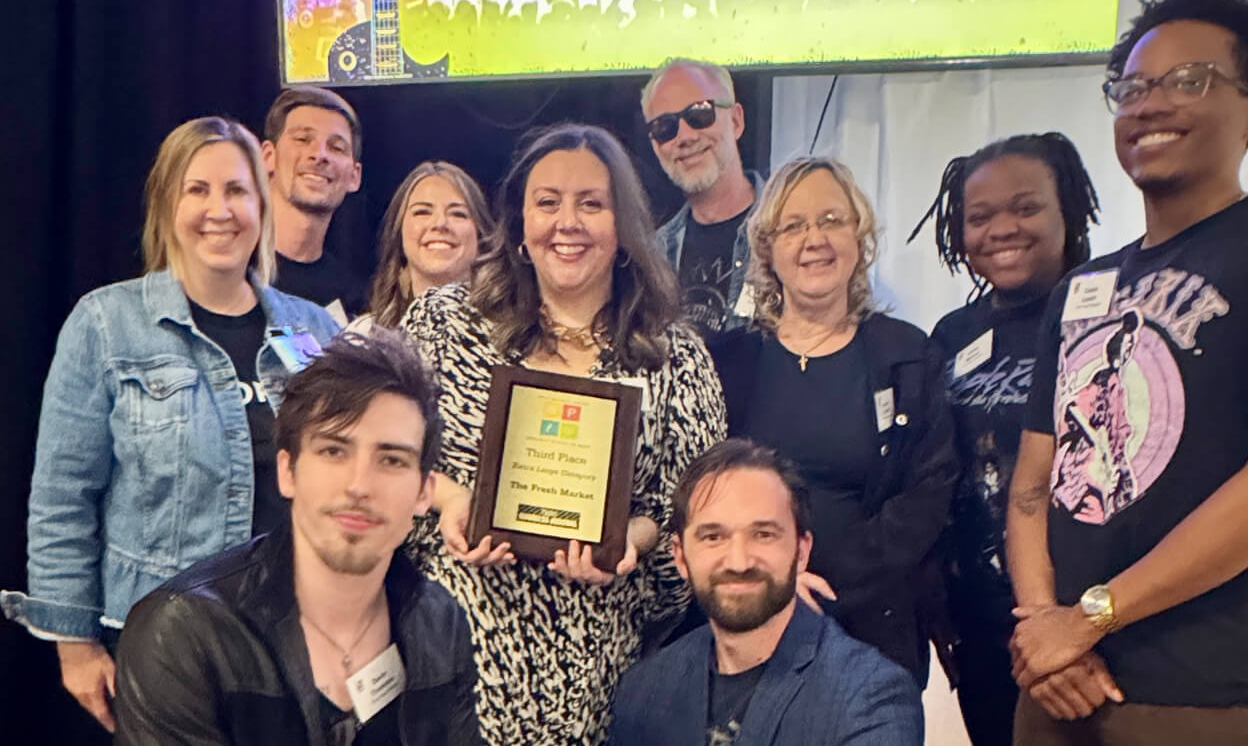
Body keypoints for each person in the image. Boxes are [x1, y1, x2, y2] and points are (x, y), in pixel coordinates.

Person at [1006, 0, 1248, 745]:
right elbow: (1031, 489)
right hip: (1056, 691)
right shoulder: (1082, 287)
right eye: (1133, 86)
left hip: (1202, 699)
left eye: (1189, 81)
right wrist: (1042, 630)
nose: (1150, 104)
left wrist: (1088, 618)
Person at [0, 117, 341, 732]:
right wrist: (74, 646)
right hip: (159, 646)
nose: (220, 210)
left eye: (236, 191)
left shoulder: (316, 330)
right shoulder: (105, 324)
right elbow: (62, 498)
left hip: (299, 643)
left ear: (261, 202)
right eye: (197, 190)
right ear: (166, 204)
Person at [401, 123, 727, 744]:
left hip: (603, 679)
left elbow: (695, 504)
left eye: (591, 204)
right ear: (520, 221)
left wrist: (630, 539)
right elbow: (392, 455)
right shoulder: (444, 325)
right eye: (547, 202)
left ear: (624, 226)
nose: (566, 222)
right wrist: (450, 500)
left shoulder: (675, 356)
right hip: (454, 671)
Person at [114, 328, 481, 745]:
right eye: (333, 451)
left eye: (391, 460)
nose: (359, 485)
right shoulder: (184, 633)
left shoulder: (438, 620)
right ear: (287, 472)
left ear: (423, 493)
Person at [709, 156, 958, 688]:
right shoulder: (726, 362)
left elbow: (928, 496)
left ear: (860, 237)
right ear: (767, 250)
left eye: (831, 220)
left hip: (871, 631)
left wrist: (817, 576)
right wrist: (771, 580)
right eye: (793, 226)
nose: (814, 239)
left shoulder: (909, 354)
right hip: (745, 623)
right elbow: (701, 493)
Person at [916, 132, 1103, 746]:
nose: (1002, 228)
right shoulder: (951, 334)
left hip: (1083, 616)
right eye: (980, 216)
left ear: (1066, 212)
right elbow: (937, 472)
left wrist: (1073, 625)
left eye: (1025, 208)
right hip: (980, 617)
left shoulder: (1107, 314)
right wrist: (940, 603)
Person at [610, 438, 924, 746]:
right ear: (679, 556)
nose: (739, 561)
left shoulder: (871, 696)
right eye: (713, 537)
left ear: (802, 551)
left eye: (763, 534)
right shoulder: (644, 689)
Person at [645, 58, 764, 338]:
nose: (684, 136)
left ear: (736, 121)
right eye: (665, 126)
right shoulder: (651, 257)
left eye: (699, 113)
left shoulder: (793, 234)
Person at [261, 86, 366, 320]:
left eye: (336, 147)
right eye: (302, 139)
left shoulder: (355, 301)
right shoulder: (229, 270)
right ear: (268, 156)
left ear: (354, 176)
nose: (319, 155)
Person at [361, 160, 494, 329]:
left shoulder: (512, 332)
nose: (440, 223)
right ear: (399, 232)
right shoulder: (363, 335)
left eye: (458, 214)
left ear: (480, 234)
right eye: (422, 212)